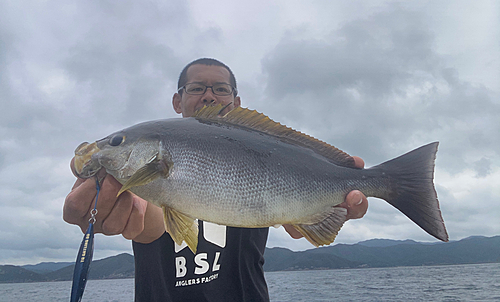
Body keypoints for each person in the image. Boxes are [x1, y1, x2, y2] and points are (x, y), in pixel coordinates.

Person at [63, 58, 368, 301]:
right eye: (196, 88)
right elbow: (149, 219)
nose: (209, 94)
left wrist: (314, 216)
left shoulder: (266, 146)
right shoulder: (142, 181)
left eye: (220, 89)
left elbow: (292, 218)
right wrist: (122, 211)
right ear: (177, 101)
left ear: (236, 101)